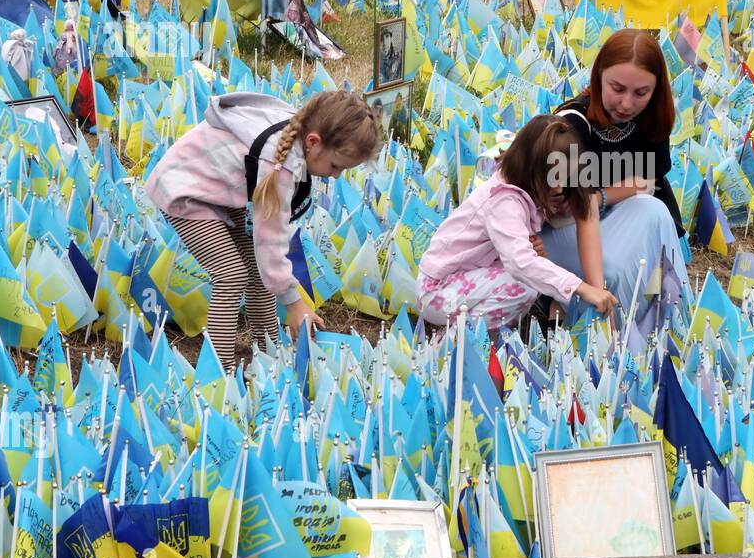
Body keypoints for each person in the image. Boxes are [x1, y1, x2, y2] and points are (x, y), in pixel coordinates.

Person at [146, 90, 383, 372]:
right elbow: (270, 241)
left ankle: (268, 350)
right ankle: (218, 374)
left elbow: (265, 253)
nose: (335, 176)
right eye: (335, 166)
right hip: (184, 191)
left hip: (217, 189)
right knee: (231, 275)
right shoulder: (279, 164)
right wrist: (294, 304)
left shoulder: (297, 135)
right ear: (313, 142)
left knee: (258, 270)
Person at [418, 115, 618, 330]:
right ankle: (460, 337)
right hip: (438, 291)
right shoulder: (505, 201)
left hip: (462, 281)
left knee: (532, 277)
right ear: (531, 168)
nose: (560, 188)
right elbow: (521, 264)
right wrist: (581, 288)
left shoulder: (518, 183)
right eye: (553, 178)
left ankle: (485, 332)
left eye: (564, 178)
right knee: (524, 283)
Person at [540, 29, 688, 316]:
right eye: (617, 88)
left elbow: (649, 179)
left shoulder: (652, 117)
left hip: (614, 214)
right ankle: (595, 319)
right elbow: (554, 204)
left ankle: (673, 312)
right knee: (614, 268)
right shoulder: (571, 125)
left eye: (641, 93)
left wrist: (599, 197)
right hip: (566, 229)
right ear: (598, 77)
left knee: (655, 211)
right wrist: (592, 201)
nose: (627, 103)